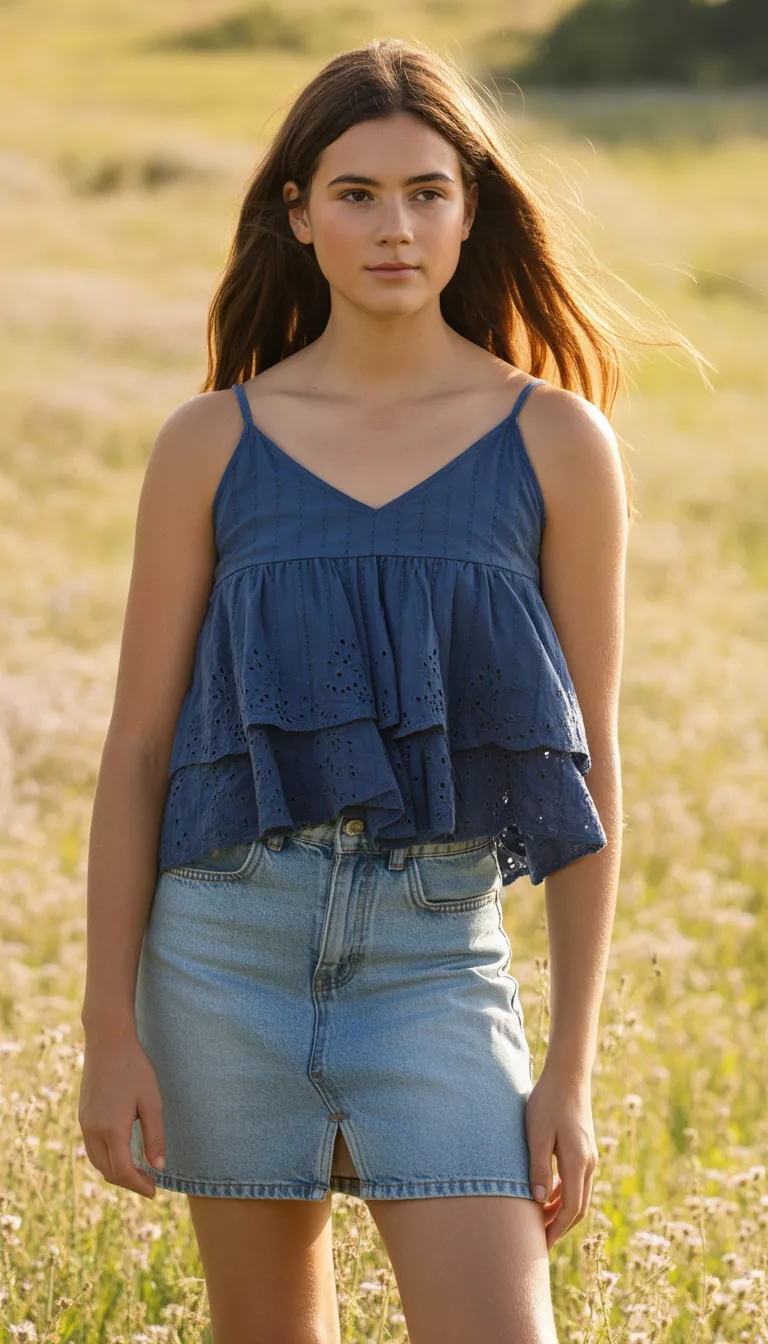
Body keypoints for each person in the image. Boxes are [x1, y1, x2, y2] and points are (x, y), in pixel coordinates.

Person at [77, 36, 699, 1344]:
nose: (394, 227)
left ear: (472, 209)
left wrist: (570, 1072)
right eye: (354, 194)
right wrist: (106, 1036)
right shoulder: (209, 446)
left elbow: (586, 773)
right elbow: (136, 754)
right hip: (221, 954)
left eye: (425, 191)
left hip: (436, 961)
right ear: (296, 216)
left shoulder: (556, 444)